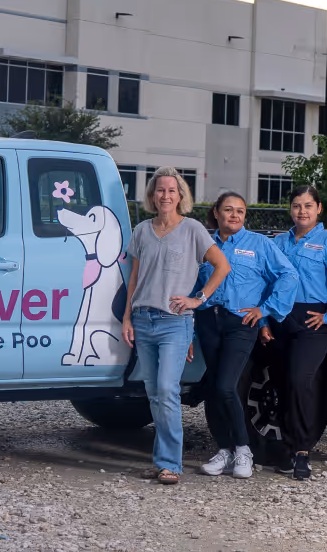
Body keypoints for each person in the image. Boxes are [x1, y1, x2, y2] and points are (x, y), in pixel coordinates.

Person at [122, 167, 231, 485]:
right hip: (143, 320)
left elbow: (222, 265)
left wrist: (199, 298)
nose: (165, 195)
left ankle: (171, 463)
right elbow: (134, 278)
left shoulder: (193, 229)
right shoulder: (142, 230)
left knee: (168, 391)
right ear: (152, 196)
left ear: (180, 196)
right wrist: (127, 317)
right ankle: (161, 461)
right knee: (154, 393)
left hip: (174, 323)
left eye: (171, 190)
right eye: (160, 190)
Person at [193, 191, 298, 479]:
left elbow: (288, 276)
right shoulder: (202, 243)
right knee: (215, 388)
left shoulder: (259, 244)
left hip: (241, 323)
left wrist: (265, 309)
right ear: (216, 212)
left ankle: (243, 450)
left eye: (240, 210)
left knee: (227, 385)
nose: (235, 215)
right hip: (207, 322)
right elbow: (191, 285)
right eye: (228, 210)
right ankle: (223, 450)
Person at [271, 185, 327, 480]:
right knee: (281, 383)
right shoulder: (279, 242)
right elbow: (263, 278)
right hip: (280, 319)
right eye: (296, 205)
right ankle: (285, 447)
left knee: (300, 380)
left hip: (312, 320)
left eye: (308, 205)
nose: (302, 211)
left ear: (318, 208)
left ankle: (302, 451)